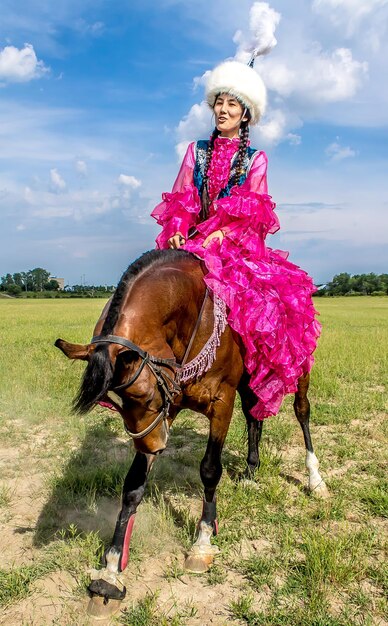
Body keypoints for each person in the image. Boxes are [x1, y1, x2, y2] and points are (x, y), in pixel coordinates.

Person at [151, 60, 321, 420]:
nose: (223, 110)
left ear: (246, 114)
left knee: (271, 308)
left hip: (236, 247)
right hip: (194, 242)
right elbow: (181, 198)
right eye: (219, 102)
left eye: (233, 104)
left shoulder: (256, 159)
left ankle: (249, 375)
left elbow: (254, 216)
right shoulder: (194, 151)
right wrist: (180, 226)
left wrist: (221, 233)